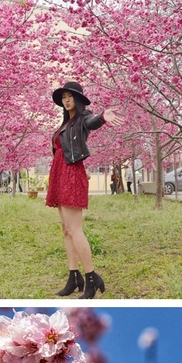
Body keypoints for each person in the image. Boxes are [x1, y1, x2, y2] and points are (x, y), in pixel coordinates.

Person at [45, 81, 123, 299]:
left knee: (75, 228)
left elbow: (91, 122)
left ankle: (91, 278)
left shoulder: (82, 119)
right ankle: (74, 276)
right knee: (66, 229)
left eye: (70, 96)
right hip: (60, 174)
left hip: (71, 174)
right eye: (63, 97)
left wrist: (102, 117)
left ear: (78, 99)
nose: (66, 100)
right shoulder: (64, 124)